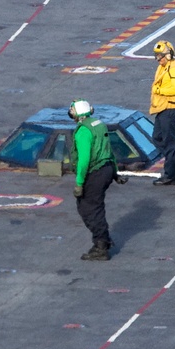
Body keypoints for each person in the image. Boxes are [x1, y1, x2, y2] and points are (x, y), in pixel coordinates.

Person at [70, 99, 118, 261]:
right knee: (97, 206)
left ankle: (101, 245)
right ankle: (102, 239)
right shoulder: (99, 124)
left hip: (95, 173)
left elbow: (83, 160)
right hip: (107, 169)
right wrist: (116, 172)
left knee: (89, 209)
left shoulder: (83, 131)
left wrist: (79, 183)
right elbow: (108, 149)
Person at [149, 39, 175, 186]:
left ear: (169, 55)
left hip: (171, 108)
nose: (158, 59)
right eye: (157, 56)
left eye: (161, 56)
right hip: (163, 108)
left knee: (169, 143)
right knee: (157, 138)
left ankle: (171, 175)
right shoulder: (164, 66)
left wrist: (158, 90)